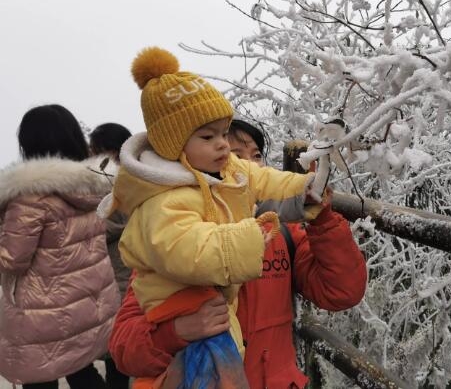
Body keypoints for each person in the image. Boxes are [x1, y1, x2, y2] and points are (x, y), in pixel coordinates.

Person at [98, 47, 319, 388]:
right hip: (174, 301)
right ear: (173, 144)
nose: (222, 146)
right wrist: (246, 238)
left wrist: (306, 187)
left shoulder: (223, 171)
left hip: (211, 300)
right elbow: (186, 249)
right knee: (205, 373)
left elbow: (263, 178)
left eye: (223, 132)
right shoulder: (163, 199)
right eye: (207, 137)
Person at [109, 118, 368, 388]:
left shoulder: (282, 234)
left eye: (257, 156)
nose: (251, 166)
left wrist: (322, 219)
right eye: (235, 157)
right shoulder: (175, 243)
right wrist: (173, 333)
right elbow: (123, 347)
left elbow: (342, 291)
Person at [0, 104, 121, 388]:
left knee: (40, 378)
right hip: (87, 304)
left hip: (42, 312)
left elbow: (12, 259)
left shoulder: (30, 198)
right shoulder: (94, 186)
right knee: (82, 370)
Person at [89, 122, 133, 389]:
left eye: (98, 152)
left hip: (119, 273)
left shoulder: (117, 184)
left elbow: (104, 227)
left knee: (115, 349)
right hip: (117, 273)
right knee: (115, 348)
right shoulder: (136, 178)